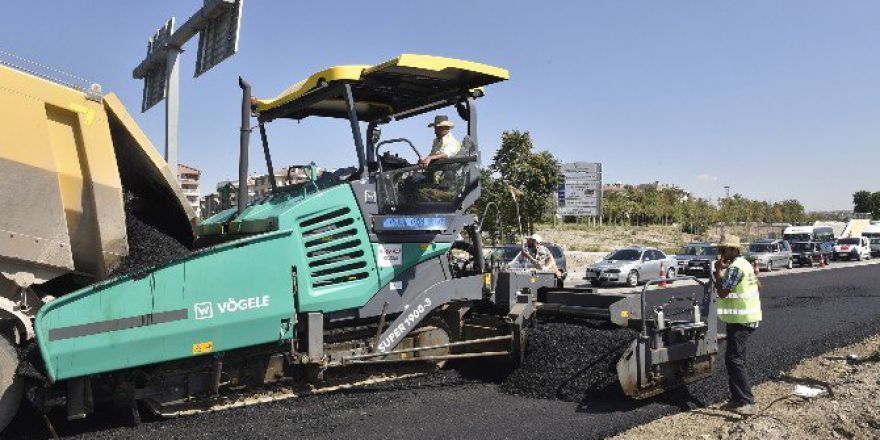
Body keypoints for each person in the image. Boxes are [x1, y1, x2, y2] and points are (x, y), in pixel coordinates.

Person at [713, 235, 762, 416]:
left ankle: (746, 401)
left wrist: (718, 272)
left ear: (734, 250)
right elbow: (759, 285)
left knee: (734, 359)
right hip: (742, 319)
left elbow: (723, 292)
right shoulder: (745, 264)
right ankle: (736, 399)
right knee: (735, 358)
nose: (721, 253)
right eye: (720, 250)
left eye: (724, 250)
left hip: (742, 321)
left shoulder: (735, 268)